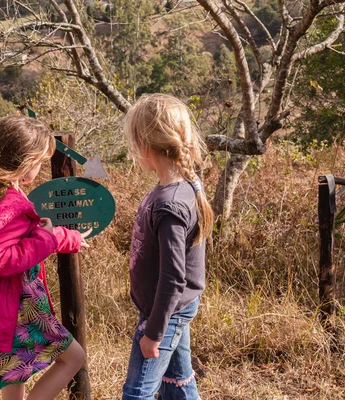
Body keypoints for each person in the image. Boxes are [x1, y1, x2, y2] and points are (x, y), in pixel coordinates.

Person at [0, 115, 91, 399]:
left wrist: (63, 237)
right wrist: (47, 237)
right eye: (38, 162)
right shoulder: (10, 203)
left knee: (17, 367)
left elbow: (28, 239)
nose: (39, 169)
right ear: (25, 163)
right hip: (17, 307)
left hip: (8, 303)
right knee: (74, 357)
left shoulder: (0, 193)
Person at [122, 94, 214, 399]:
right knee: (178, 382)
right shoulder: (174, 188)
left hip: (165, 313)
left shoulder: (170, 203)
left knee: (138, 393)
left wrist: (154, 333)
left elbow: (174, 278)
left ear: (145, 144)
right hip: (170, 307)